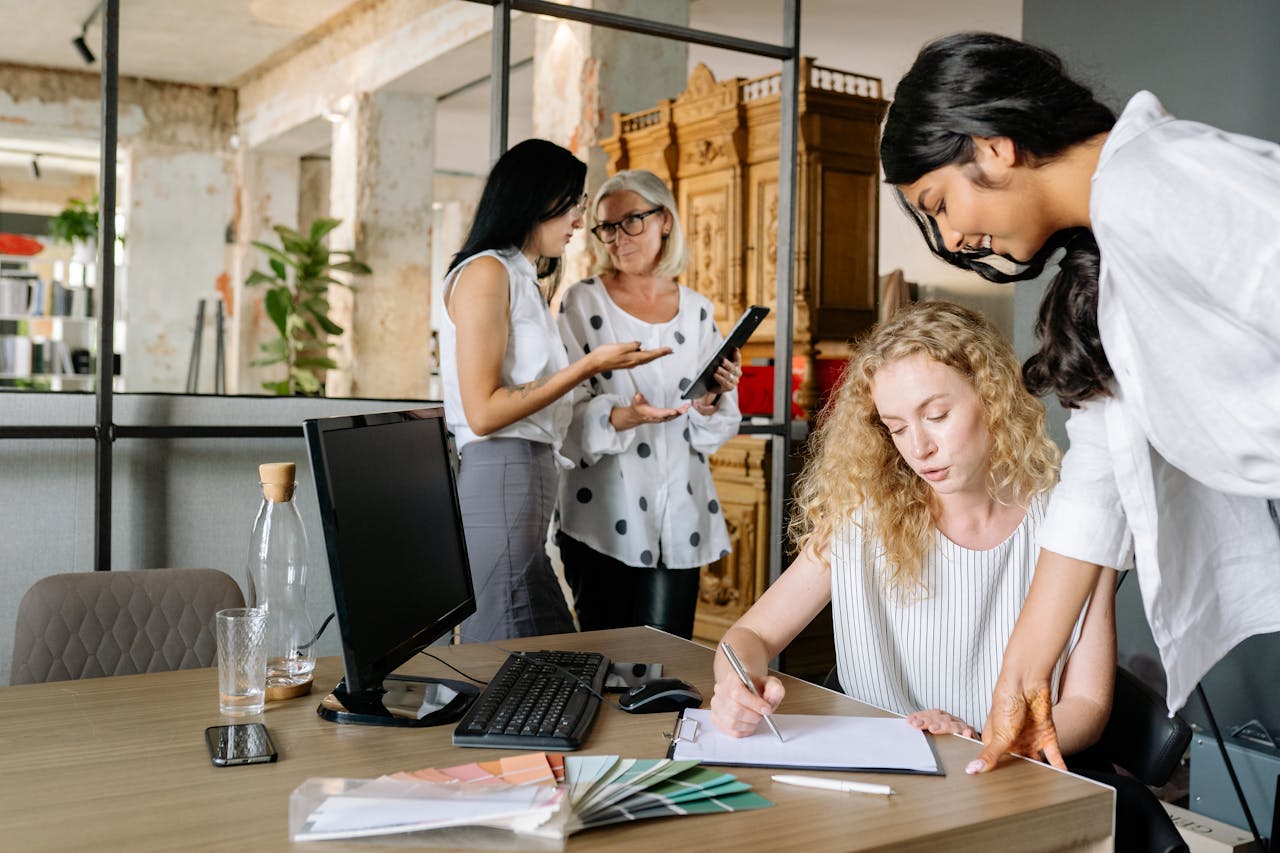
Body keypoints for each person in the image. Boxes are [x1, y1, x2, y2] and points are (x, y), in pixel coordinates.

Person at [879, 31, 1280, 774]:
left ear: (992, 147)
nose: (955, 235)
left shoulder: (1160, 181)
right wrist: (1021, 684)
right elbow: (1096, 483)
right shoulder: (1112, 246)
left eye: (939, 203)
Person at [709, 301, 1115, 763]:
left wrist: (988, 741)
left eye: (937, 416)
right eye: (896, 428)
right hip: (887, 780)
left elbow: (1088, 705)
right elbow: (750, 637)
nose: (919, 448)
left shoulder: (1074, 520)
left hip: (1012, 779)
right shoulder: (862, 520)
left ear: (993, 397)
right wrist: (734, 687)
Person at [440, 140, 670, 642]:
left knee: (548, 651)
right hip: (502, 472)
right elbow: (483, 412)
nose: (578, 219)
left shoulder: (520, 278)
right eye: (571, 203)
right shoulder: (487, 272)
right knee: (507, 656)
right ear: (533, 199)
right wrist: (590, 363)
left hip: (525, 478)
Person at [555, 169, 742, 639]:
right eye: (607, 227)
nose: (618, 238)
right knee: (606, 667)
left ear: (665, 221)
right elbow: (563, 415)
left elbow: (713, 429)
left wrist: (710, 401)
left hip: (680, 515)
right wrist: (625, 417)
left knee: (667, 668)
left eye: (632, 221)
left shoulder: (698, 310)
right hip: (601, 517)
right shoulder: (581, 303)